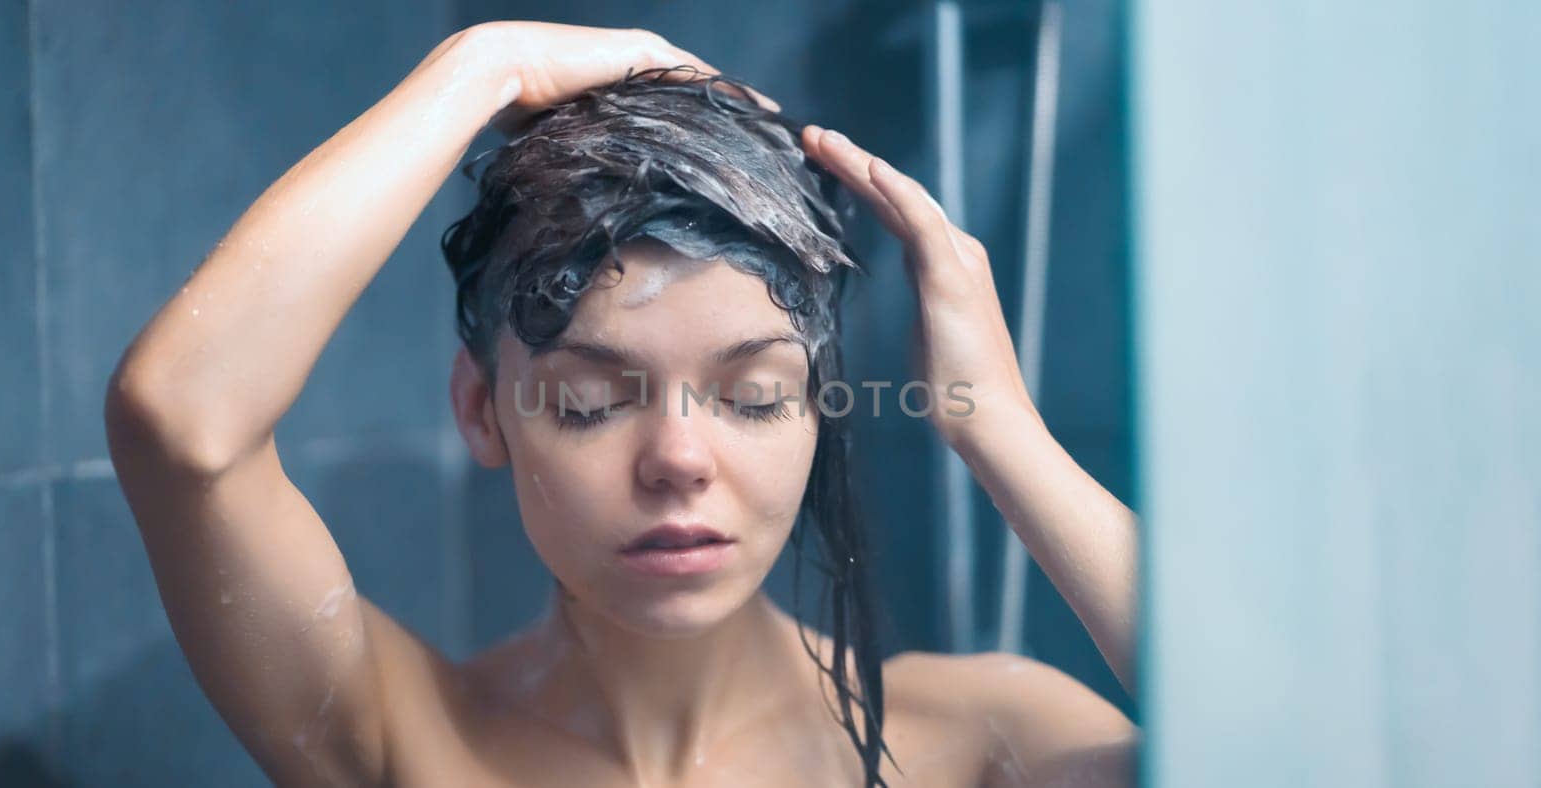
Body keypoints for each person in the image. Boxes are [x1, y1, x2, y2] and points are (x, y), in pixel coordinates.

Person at [104, 20, 1139, 788]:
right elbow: (182, 421)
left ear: (819, 405)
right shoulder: (406, 739)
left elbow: (1286, 748)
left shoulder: (979, 743)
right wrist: (481, 66)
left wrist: (997, 424)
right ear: (483, 412)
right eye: (593, 401)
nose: (679, 457)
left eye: (755, 394)